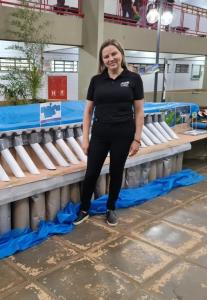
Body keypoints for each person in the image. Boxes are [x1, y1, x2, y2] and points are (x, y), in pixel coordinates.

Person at [73, 39, 144, 226]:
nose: (111, 58)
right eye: (106, 56)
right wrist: (85, 139)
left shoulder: (133, 79)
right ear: (102, 60)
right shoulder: (96, 81)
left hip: (123, 133)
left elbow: (139, 112)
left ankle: (110, 207)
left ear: (121, 54)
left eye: (114, 54)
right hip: (100, 134)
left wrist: (137, 139)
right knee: (91, 172)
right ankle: (84, 208)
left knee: (116, 171)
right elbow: (88, 111)